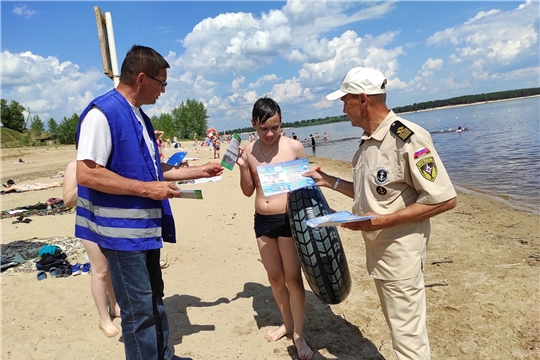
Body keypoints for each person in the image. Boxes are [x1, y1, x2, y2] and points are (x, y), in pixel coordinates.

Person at [75, 45, 223, 360]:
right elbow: (86, 174)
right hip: (119, 233)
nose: (164, 90)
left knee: (155, 300)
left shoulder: (139, 115)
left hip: (144, 230)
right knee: (137, 311)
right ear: (142, 79)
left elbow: (156, 170)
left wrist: (199, 170)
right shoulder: (102, 114)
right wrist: (147, 190)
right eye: (162, 82)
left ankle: (164, 356)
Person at [304, 67, 457, 360]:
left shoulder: (406, 138)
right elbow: (372, 193)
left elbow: (443, 198)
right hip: (379, 254)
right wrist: (329, 181)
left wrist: (379, 221)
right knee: (399, 331)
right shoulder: (368, 142)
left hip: (400, 255)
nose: (343, 108)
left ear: (363, 100)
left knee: (408, 340)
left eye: (345, 101)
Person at [236, 97, 314, 360]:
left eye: (275, 127)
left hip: (288, 221)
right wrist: (243, 168)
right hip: (263, 220)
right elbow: (248, 191)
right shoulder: (248, 151)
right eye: (263, 128)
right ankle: (287, 324)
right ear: (254, 125)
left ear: (281, 123)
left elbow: (307, 189)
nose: (270, 134)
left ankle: (299, 335)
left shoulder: (294, 147)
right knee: (275, 278)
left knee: (293, 278)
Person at [62, 160, 121, 338]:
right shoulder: (74, 166)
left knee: (112, 267)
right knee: (100, 271)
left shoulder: (108, 164)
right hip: (89, 222)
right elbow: (68, 201)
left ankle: (115, 305)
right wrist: (89, 179)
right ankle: (104, 319)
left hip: (111, 220)